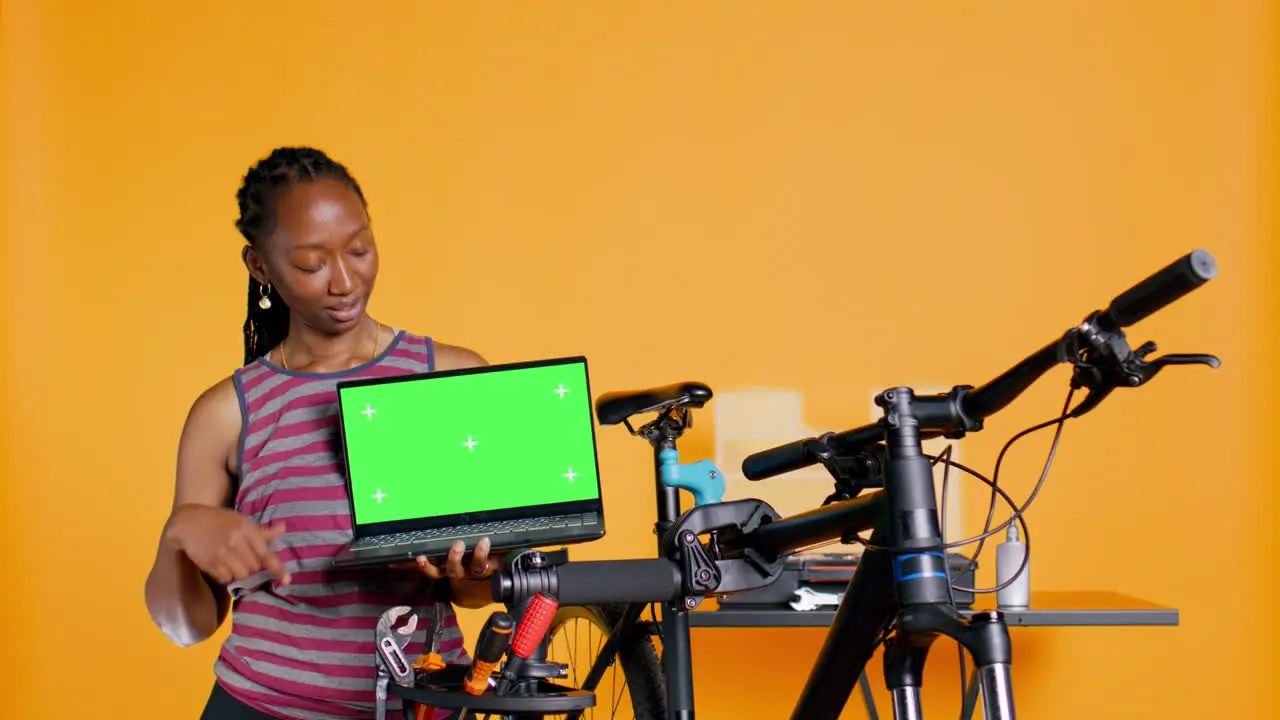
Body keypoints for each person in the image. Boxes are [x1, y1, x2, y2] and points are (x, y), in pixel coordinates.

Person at [144, 146, 496, 720]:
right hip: (262, 707)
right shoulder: (228, 413)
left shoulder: (451, 379)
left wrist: (476, 570)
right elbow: (187, 628)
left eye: (360, 249)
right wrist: (179, 532)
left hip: (425, 704)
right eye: (311, 264)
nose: (344, 280)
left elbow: (477, 593)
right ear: (260, 266)